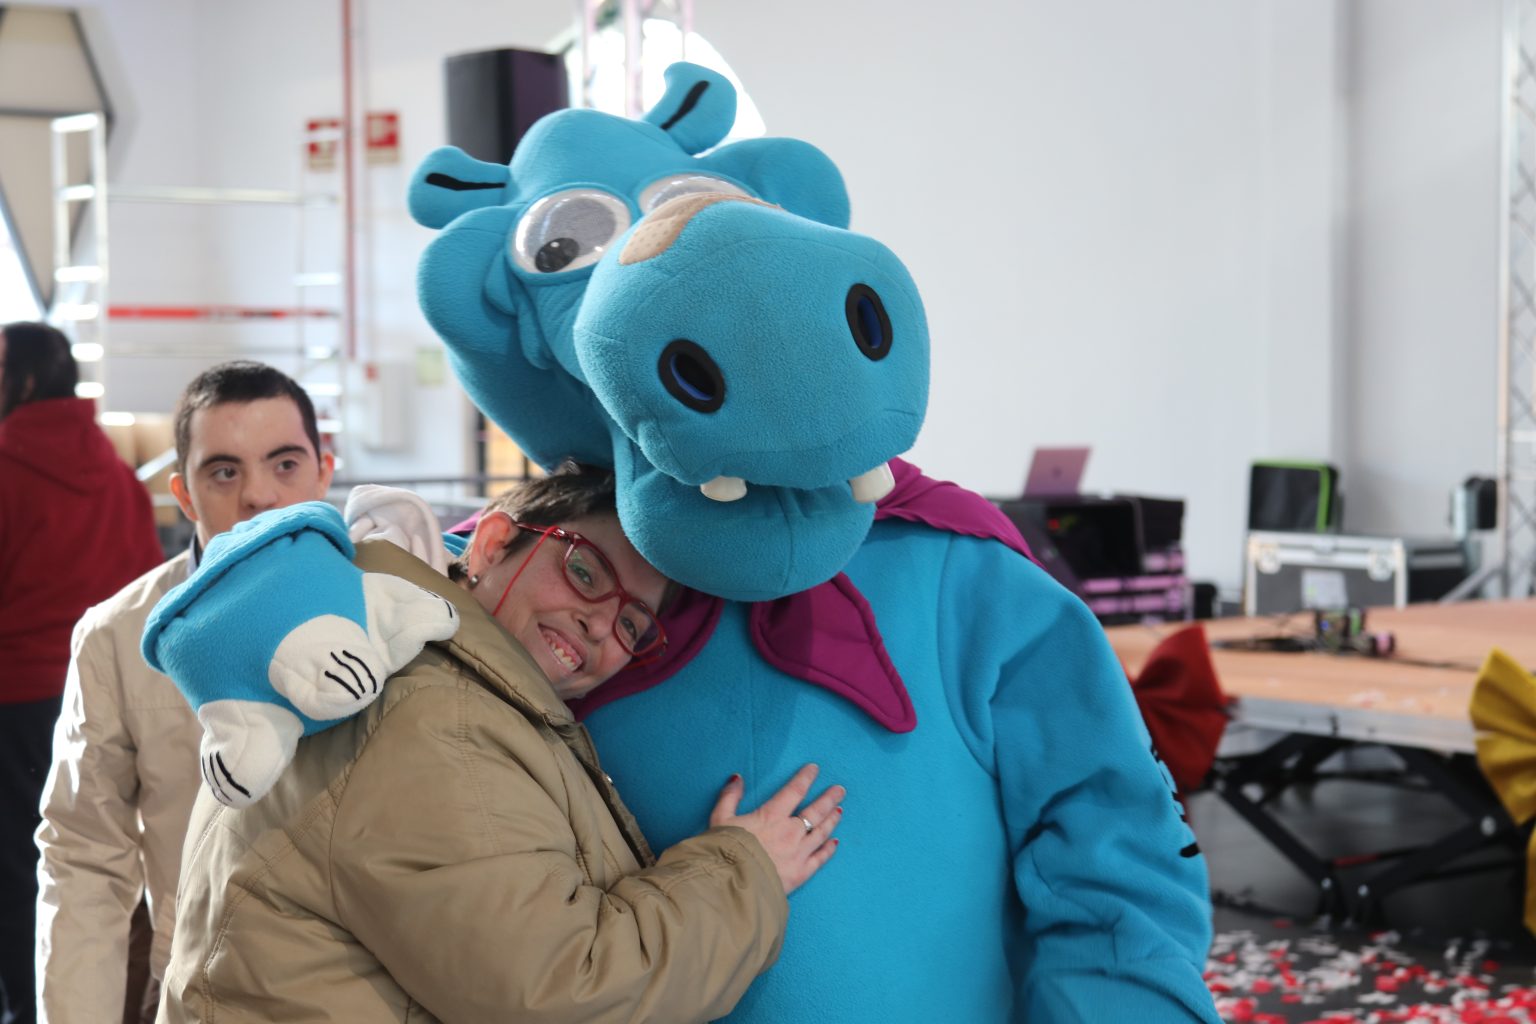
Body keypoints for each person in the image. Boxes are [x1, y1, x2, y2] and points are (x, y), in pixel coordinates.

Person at [156, 464, 844, 1024]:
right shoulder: (436, 720)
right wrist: (743, 872)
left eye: (633, 625)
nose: (600, 624)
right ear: (489, 543)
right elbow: (563, 990)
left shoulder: (430, 674)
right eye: (584, 571)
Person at [35, 361, 335, 1024]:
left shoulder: (391, 610)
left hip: (361, 985)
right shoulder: (118, 636)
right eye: (224, 472)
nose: (258, 495)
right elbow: (85, 855)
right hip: (201, 983)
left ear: (324, 472)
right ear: (185, 494)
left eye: (285, 464)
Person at [0, 322, 163, 1024]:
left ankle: (29, 1004)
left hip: (18, 695)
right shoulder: (117, 472)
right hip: (114, 691)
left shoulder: (5, 465)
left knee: (30, 868)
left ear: (24, 378)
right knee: (111, 866)